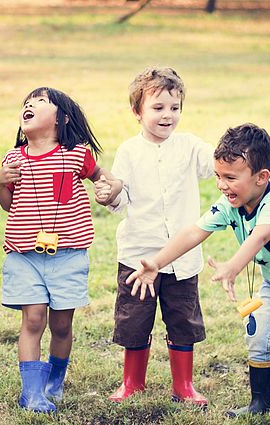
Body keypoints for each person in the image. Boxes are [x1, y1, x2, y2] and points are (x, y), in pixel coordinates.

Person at [126, 123, 270, 417]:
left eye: (230, 177)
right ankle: (260, 404)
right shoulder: (230, 204)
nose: (221, 184)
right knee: (258, 337)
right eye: (218, 176)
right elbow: (193, 232)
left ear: (261, 177)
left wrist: (233, 265)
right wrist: (157, 262)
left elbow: (262, 236)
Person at [0, 87, 120, 413]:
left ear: (61, 118)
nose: (29, 105)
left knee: (61, 325)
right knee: (33, 320)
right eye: (26, 102)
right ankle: (31, 393)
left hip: (68, 255)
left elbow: (102, 177)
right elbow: (9, 205)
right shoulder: (13, 159)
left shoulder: (77, 154)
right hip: (24, 255)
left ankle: (54, 381)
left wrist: (111, 187)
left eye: (39, 101)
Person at [95, 67, 212, 405]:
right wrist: (111, 194)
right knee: (135, 319)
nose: (168, 115)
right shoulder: (129, 151)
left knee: (183, 320)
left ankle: (184, 385)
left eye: (174, 108)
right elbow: (120, 200)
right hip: (138, 254)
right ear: (137, 112)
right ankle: (132, 383)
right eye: (158, 108)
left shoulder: (190, 146)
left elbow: (214, 163)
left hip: (182, 258)